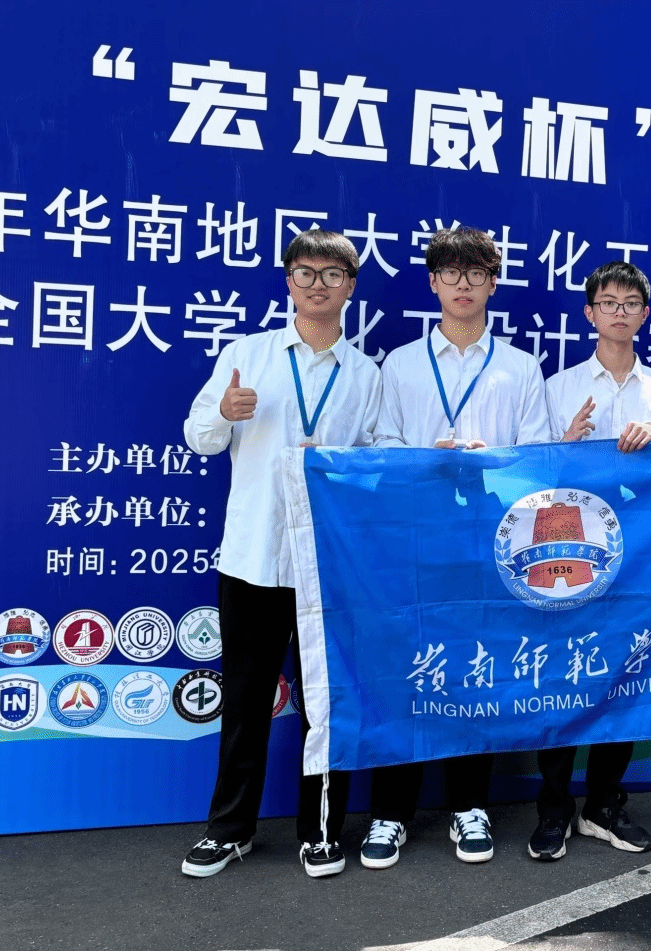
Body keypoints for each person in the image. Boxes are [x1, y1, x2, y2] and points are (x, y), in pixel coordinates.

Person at [181, 230, 382, 878]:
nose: (318, 283)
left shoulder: (365, 374)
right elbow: (199, 437)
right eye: (306, 271)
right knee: (245, 701)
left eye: (332, 273)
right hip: (255, 556)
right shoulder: (248, 354)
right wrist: (224, 411)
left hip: (329, 564)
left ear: (351, 286)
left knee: (326, 703)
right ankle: (229, 829)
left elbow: (380, 456)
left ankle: (320, 831)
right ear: (288, 280)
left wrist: (347, 465)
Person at [365, 226, 549, 868]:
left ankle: (470, 805)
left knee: (476, 666)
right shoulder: (401, 364)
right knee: (406, 666)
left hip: (490, 542)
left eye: (476, 273)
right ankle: (390, 812)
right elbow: (383, 446)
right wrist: (429, 458)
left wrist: (487, 459)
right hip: (417, 538)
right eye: (451, 273)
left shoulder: (520, 367)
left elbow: (536, 455)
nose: (463, 284)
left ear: (492, 284)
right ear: (433, 282)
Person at [529, 260, 651, 862]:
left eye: (630, 303)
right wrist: (568, 445)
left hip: (642, 552)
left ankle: (603, 804)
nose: (619, 311)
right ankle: (554, 808)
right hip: (568, 552)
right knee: (561, 673)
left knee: (623, 673)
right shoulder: (559, 387)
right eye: (608, 302)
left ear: (644, 315)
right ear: (590, 312)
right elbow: (534, 477)